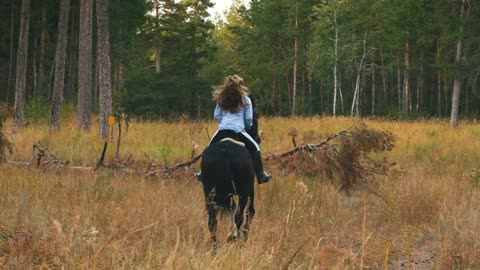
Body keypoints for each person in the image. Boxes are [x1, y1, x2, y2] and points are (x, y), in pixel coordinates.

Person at [198, 75, 272, 184]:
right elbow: (248, 119)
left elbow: (217, 116)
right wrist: (246, 127)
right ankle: (260, 174)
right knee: (255, 147)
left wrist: (224, 122)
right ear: (240, 86)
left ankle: (202, 173)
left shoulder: (222, 98)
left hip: (223, 130)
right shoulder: (246, 100)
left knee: (209, 148)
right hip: (238, 131)